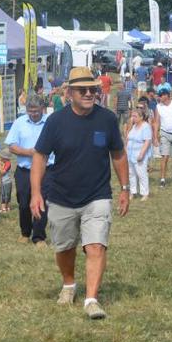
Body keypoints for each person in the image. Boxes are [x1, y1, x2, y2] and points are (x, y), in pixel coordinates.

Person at [30, 67, 130, 320]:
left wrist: (125, 189)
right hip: (62, 195)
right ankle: (68, 284)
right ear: (69, 93)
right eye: (82, 89)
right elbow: (40, 156)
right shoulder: (56, 122)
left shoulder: (107, 119)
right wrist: (35, 193)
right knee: (64, 248)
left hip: (97, 195)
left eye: (93, 89)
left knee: (96, 246)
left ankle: (91, 299)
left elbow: (118, 154)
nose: (89, 93)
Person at [5, 95, 54, 247]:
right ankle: (25, 232)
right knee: (24, 202)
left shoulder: (50, 122)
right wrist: (30, 152)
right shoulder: (19, 123)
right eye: (30, 111)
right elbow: (11, 146)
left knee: (42, 201)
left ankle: (39, 237)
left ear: (42, 109)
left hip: (46, 170)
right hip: (25, 170)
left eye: (36, 111)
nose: (33, 114)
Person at [126, 108, 152, 201]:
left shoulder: (145, 126)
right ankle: (132, 192)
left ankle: (145, 193)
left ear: (141, 117)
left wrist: (141, 154)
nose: (133, 118)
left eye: (135, 116)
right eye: (132, 116)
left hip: (139, 155)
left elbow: (147, 141)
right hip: (130, 154)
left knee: (141, 174)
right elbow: (128, 138)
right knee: (131, 173)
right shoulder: (134, 126)